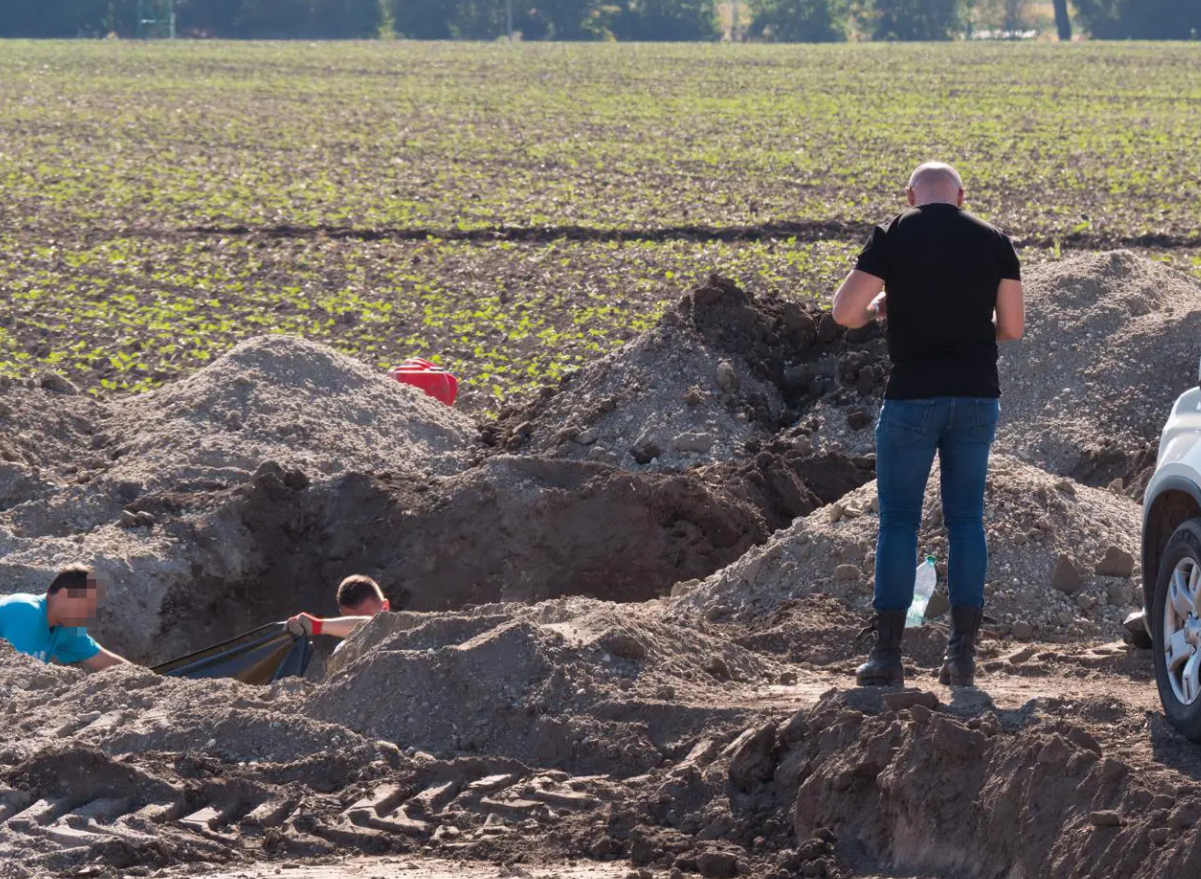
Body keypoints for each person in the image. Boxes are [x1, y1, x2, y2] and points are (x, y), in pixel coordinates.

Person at [832, 161, 1025, 688]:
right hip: (976, 397)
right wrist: (963, 324)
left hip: (913, 397)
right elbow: (1011, 328)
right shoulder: (995, 241)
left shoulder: (894, 233)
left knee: (899, 523)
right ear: (962, 196)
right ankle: (962, 656)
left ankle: (887, 658)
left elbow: (844, 312)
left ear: (910, 195)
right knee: (966, 522)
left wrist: (881, 311)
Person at [0, 566, 130, 670]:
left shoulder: (66, 626)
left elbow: (107, 661)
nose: (90, 614)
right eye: (88, 605)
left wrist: (145, 679)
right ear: (63, 594)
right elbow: (15, 676)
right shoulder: (25, 610)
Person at [286, 574, 391, 641]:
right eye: (350, 620)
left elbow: (375, 626)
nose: (356, 626)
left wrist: (317, 626)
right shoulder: (342, 654)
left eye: (362, 619)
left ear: (385, 608)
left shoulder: (404, 634)